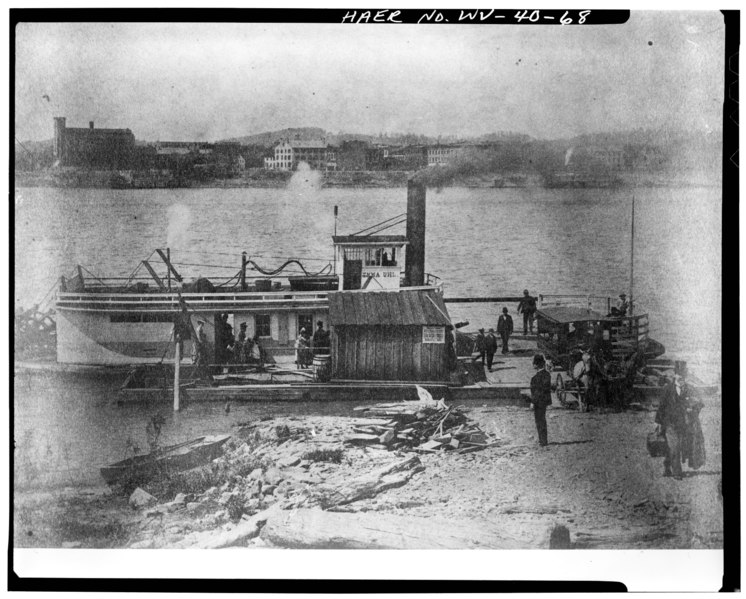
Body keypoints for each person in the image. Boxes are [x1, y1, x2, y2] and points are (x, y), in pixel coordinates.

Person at [655, 366, 689, 479]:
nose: (681, 377)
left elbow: (697, 401)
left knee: (675, 447)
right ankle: (677, 473)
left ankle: (666, 465)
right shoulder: (667, 389)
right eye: (679, 375)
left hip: (683, 423)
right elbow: (661, 406)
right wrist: (658, 423)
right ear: (675, 375)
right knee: (675, 447)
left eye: (683, 375)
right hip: (669, 423)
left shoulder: (688, 389)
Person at [530, 354, 552, 447]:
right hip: (545, 400)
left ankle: (542, 441)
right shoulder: (547, 375)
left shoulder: (535, 378)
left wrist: (532, 402)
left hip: (538, 401)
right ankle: (544, 440)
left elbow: (536, 392)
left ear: (536, 365)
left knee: (539, 420)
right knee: (542, 419)